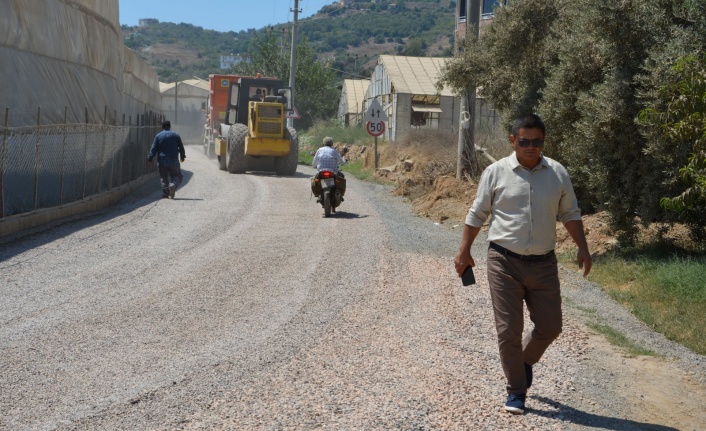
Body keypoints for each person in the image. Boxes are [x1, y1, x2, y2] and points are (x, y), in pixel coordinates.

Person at [454, 114, 592, 414]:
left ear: (544, 141)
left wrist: (583, 247)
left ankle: (524, 361)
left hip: (544, 264)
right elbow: (477, 214)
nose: (531, 147)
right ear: (513, 141)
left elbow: (570, 213)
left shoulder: (557, 173)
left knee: (551, 326)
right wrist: (464, 251)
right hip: (504, 261)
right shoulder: (495, 172)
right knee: (509, 330)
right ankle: (516, 390)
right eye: (525, 141)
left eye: (537, 141)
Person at [147, 120, 186, 199]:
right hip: (173, 160)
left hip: (162, 161)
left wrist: (150, 158)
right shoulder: (176, 135)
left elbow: (153, 148)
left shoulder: (158, 136)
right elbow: (181, 147)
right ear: (170, 126)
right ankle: (173, 185)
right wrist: (182, 156)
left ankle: (166, 193)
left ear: (162, 127)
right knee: (177, 175)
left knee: (163, 177)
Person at [312, 136, 347, 212]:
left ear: (324, 143)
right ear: (331, 143)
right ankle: (340, 193)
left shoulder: (319, 150)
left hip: (321, 172)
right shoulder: (334, 151)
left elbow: (314, 164)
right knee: (342, 177)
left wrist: (316, 166)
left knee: (314, 180)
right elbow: (342, 162)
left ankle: (318, 194)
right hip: (333, 172)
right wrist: (344, 160)